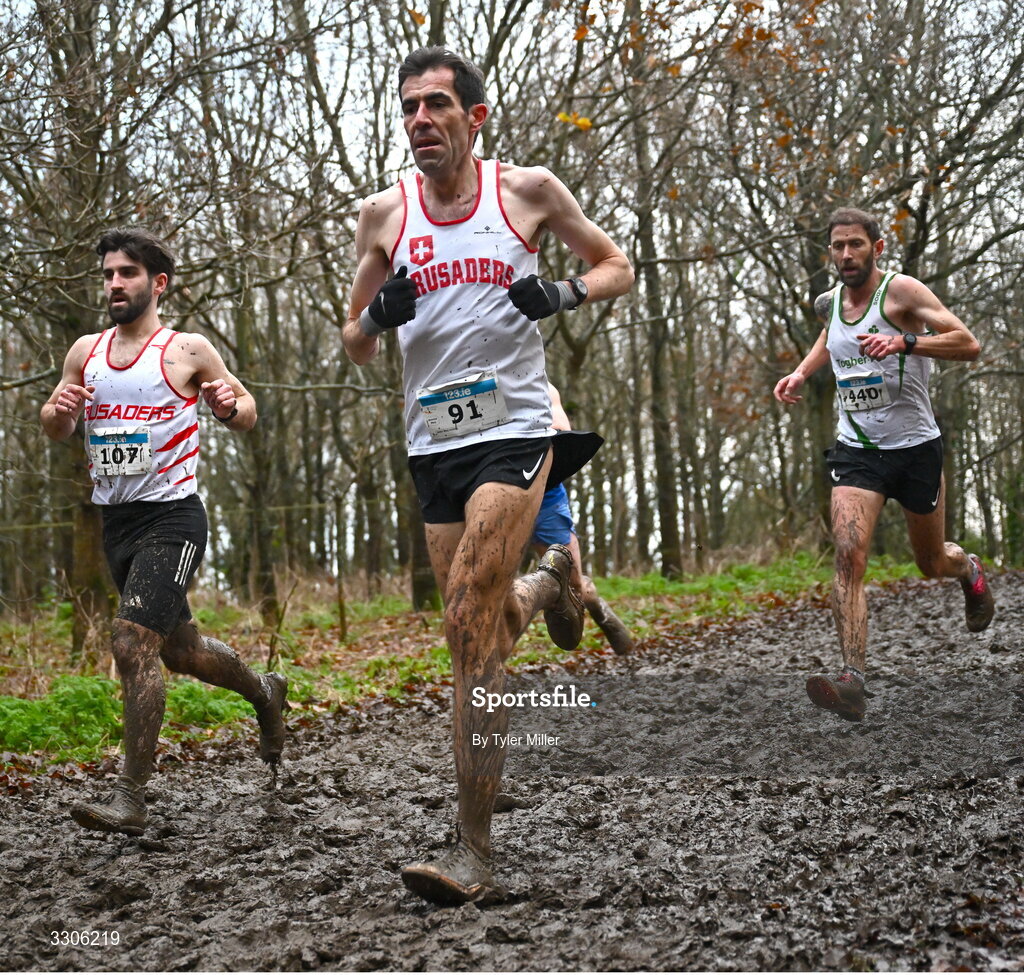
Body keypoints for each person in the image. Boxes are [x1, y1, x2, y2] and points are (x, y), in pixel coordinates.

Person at [342, 47, 633, 903]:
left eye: (437, 105)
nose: (420, 120)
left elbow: (617, 264)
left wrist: (564, 295)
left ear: (475, 118)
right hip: (433, 440)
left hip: (514, 429)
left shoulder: (527, 192)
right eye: (408, 108)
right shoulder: (383, 218)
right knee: (488, 621)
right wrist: (376, 315)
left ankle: (472, 850)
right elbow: (352, 340)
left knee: (470, 620)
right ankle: (554, 587)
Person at [41, 227, 289, 835]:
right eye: (107, 274)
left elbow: (247, 413)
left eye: (126, 273)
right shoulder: (85, 352)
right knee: (181, 652)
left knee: (131, 644)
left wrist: (229, 405)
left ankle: (131, 795)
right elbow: (53, 424)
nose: (114, 284)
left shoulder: (186, 350)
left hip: (173, 518)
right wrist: (59, 414)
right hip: (117, 522)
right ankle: (265, 694)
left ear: (158, 283)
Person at [773, 207, 994, 722]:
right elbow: (832, 336)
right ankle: (852, 679)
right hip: (858, 452)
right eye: (837, 246)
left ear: (876, 246)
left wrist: (905, 340)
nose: (846, 254)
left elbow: (968, 343)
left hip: (916, 449)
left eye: (855, 244)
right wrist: (802, 373)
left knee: (930, 561)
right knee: (849, 554)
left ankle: (968, 569)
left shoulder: (903, 293)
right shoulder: (832, 301)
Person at [531, 384, 634, 655]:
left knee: (576, 587)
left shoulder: (534, 378)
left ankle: (600, 611)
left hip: (543, 488)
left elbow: (560, 428)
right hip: (477, 483)